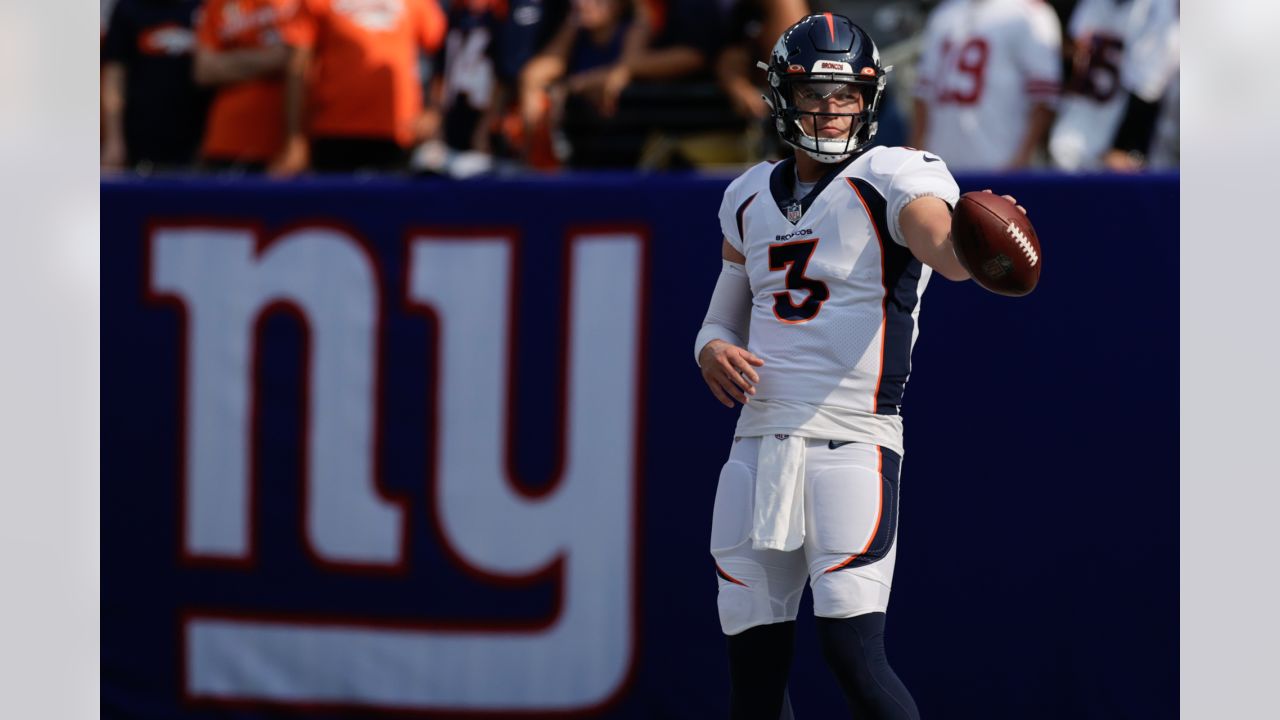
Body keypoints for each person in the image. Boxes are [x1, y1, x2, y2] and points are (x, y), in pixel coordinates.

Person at [695, 13, 1027, 719]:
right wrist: (710, 349)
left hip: (853, 439)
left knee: (853, 653)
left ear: (868, 99)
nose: (829, 108)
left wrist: (973, 247)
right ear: (785, 94)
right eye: (815, 91)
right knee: (752, 674)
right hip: (757, 442)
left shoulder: (893, 172)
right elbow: (721, 317)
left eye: (845, 95)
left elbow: (941, 246)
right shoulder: (748, 194)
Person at [271, 0, 447, 175]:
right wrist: (294, 138)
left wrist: (434, 110)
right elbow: (298, 66)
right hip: (332, 132)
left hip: (400, 132)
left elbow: (445, 53)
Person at [910, 0, 1062, 171]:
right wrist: (918, 154)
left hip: (1000, 163)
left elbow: (1045, 98)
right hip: (942, 164)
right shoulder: (944, 13)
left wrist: (1022, 157)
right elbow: (923, 93)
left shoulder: (1030, 13)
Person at [101, 0, 210, 172]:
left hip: (194, 140)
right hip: (139, 138)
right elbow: (114, 77)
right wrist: (114, 140)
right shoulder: (128, 9)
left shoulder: (202, 7)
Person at [193, 0, 299, 172]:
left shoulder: (300, 4)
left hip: (286, 143)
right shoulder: (218, 5)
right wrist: (273, 59)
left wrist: (232, 60)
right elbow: (205, 71)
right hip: (227, 142)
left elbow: (299, 59)